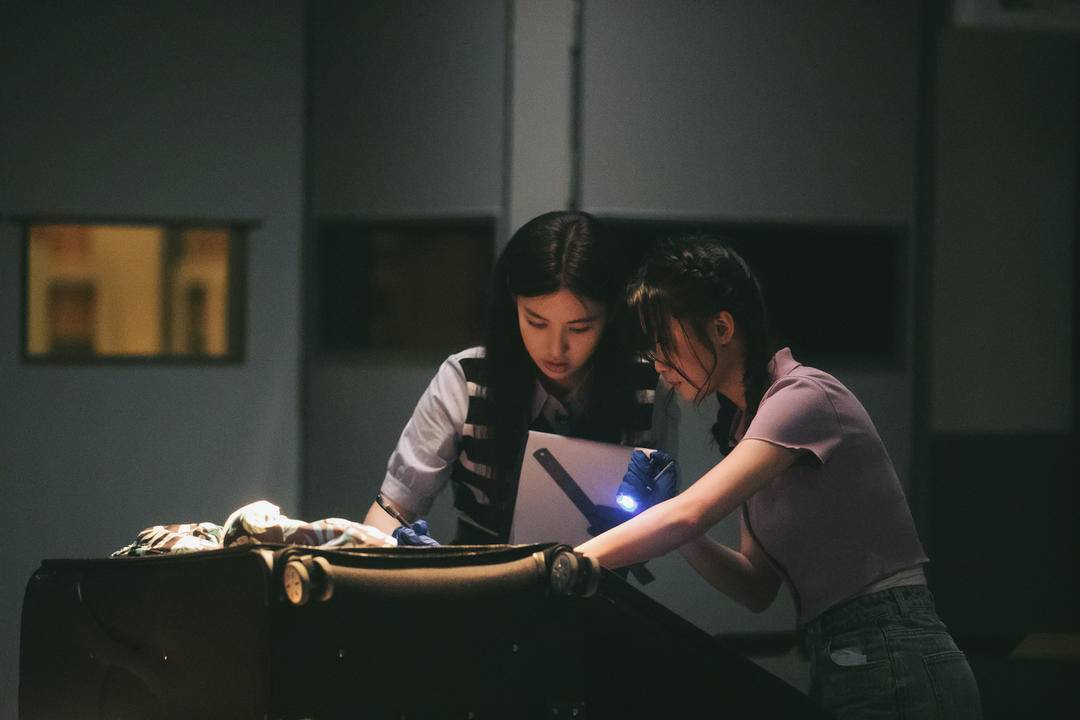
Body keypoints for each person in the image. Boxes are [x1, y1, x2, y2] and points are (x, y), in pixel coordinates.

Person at [575, 235, 982, 719]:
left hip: (892, 646)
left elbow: (689, 515)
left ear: (722, 327)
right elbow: (756, 587)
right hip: (848, 653)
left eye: (664, 343)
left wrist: (563, 563)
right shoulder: (751, 425)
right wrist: (675, 525)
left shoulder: (802, 396)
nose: (659, 364)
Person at [362, 211, 678, 545]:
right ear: (513, 303)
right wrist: (390, 544)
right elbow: (393, 506)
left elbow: (659, 528)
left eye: (579, 328)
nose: (556, 349)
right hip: (481, 571)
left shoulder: (648, 385)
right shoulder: (467, 380)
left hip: (600, 572)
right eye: (536, 323)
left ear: (610, 315)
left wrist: (649, 517)